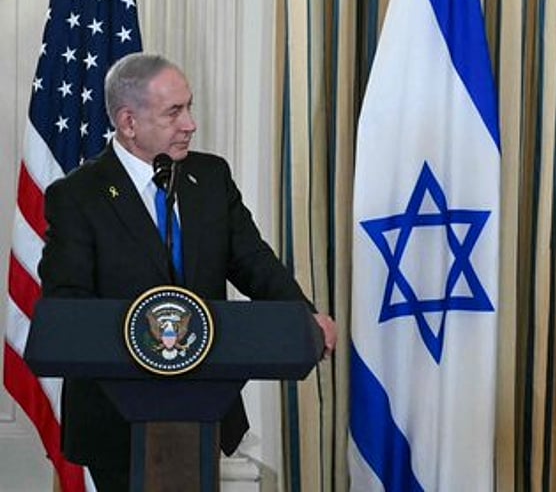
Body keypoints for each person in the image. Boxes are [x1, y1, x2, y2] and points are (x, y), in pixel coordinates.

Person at [38, 52, 337, 492]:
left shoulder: (210, 177)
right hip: (116, 417)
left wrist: (304, 317)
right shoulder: (78, 195)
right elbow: (69, 303)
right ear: (128, 122)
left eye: (189, 107)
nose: (190, 124)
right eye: (174, 112)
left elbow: (253, 261)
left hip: (204, 406)